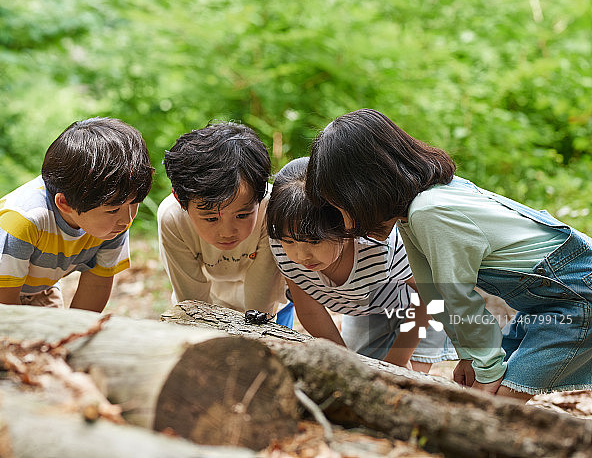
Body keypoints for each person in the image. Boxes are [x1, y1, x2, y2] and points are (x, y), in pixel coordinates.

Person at [306, 108, 592, 400]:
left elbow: (457, 296)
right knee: (488, 397)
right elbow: (434, 293)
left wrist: (487, 372)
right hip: (548, 302)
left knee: (496, 408)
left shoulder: (432, 210)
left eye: (343, 206)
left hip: (576, 295)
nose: (348, 224)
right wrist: (468, 355)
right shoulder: (411, 213)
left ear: (367, 186)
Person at [0, 117, 154, 311]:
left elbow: (96, 284)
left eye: (134, 203)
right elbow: (3, 303)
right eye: (114, 209)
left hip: (32, 286)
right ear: (65, 203)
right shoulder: (25, 219)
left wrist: (75, 334)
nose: (127, 219)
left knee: (55, 339)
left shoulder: (112, 221)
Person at [267, 157, 455, 371]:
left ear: (346, 223)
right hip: (364, 306)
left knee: (410, 378)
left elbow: (429, 295)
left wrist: (397, 362)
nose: (301, 255)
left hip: (420, 304)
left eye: (314, 241)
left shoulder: (383, 248)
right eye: (290, 241)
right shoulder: (281, 241)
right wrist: (344, 363)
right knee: (360, 366)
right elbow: (310, 310)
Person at [158, 122, 291, 325]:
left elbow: (261, 304)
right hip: (212, 294)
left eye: (242, 215)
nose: (227, 232)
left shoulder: (272, 209)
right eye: (211, 218)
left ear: (260, 194)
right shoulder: (173, 218)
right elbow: (194, 302)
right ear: (179, 198)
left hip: (271, 301)